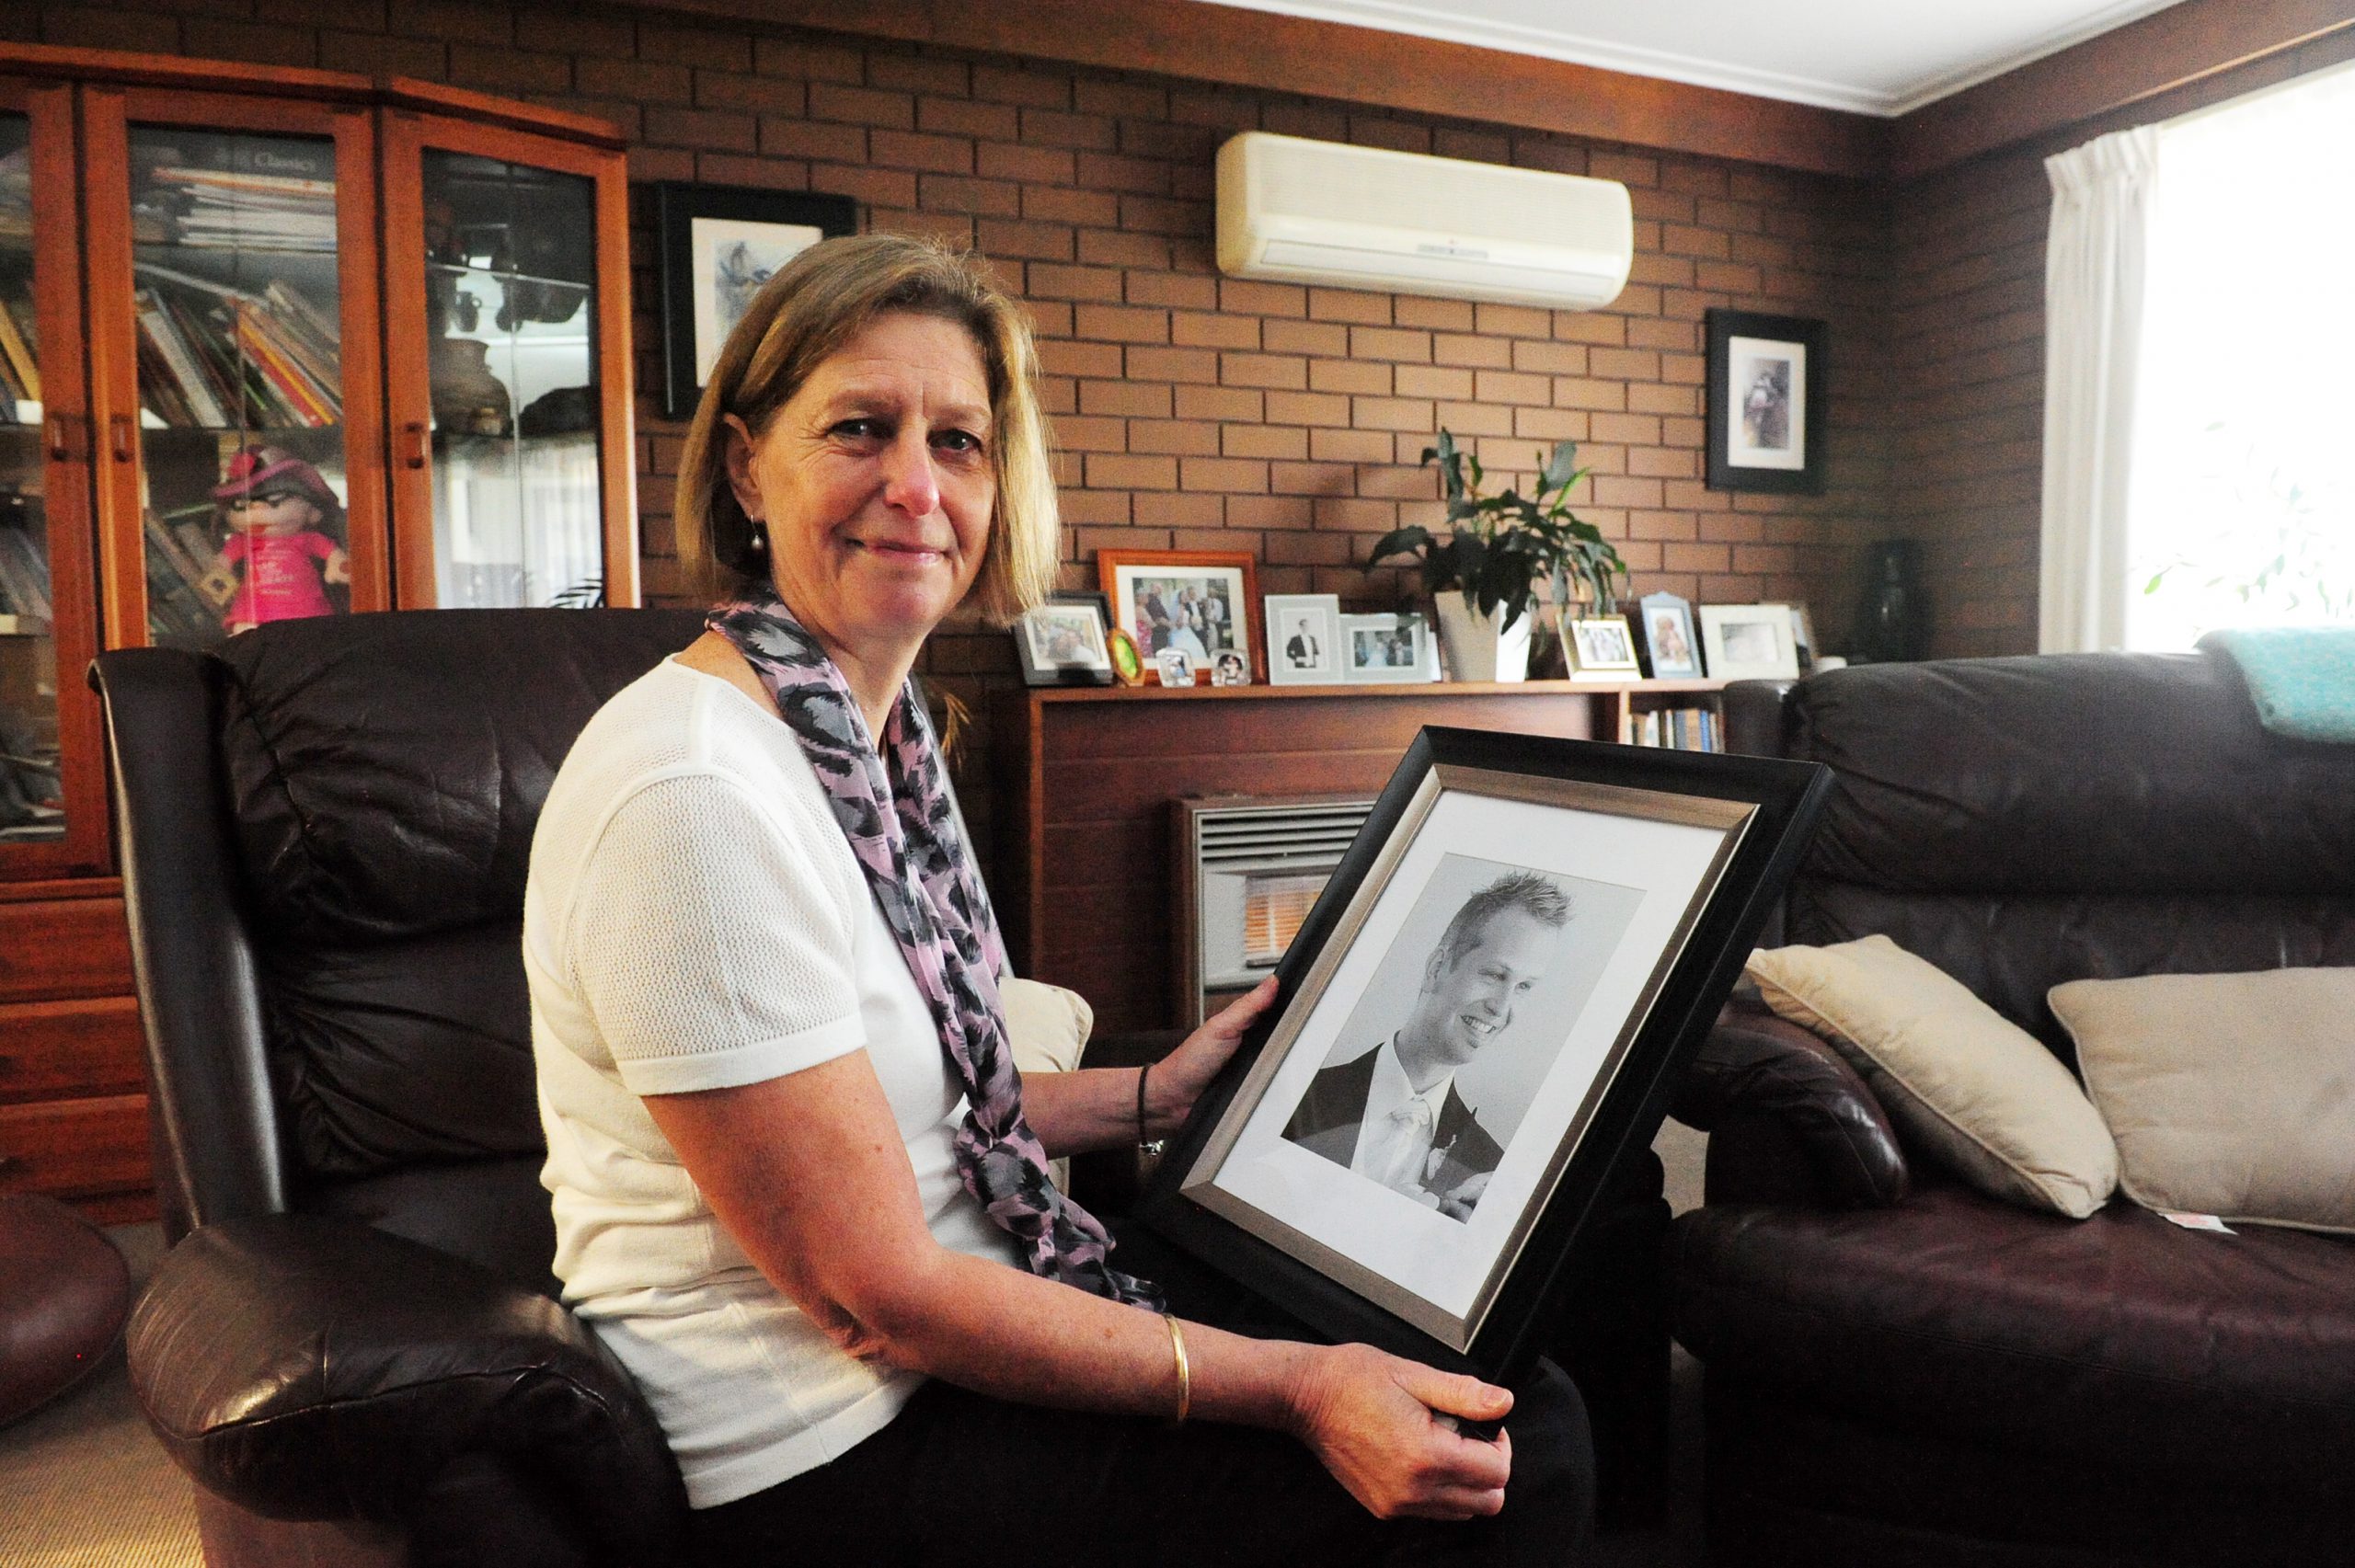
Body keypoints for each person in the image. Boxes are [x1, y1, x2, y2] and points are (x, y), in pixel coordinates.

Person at [524, 234, 1591, 1567]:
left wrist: (1153, 1096)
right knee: (1508, 1448)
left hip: (964, 1306)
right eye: (859, 428)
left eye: (957, 442)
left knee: (1482, 1362)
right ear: (746, 467)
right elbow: (878, 1293)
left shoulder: (868, 743)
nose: (916, 486)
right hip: (829, 1443)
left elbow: (906, 1116)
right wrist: (1301, 1389)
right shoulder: (693, 791)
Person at [1283, 872, 1571, 1222]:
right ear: (1436, 968)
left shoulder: (1491, 1170)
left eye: (1524, 987)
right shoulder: (1292, 1096)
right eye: (1495, 975)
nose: (1502, 1007)